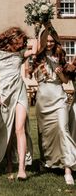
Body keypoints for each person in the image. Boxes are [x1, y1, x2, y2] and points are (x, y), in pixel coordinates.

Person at [0, 27, 37, 180]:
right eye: (20, 40)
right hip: (5, 94)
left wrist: (39, 24)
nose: (21, 44)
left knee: (19, 128)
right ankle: (9, 163)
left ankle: (21, 169)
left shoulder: (21, 53)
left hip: (19, 92)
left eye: (23, 41)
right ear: (12, 38)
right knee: (7, 127)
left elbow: (35, 49)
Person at [33, 23, 76, 185]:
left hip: (58, 97)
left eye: (52, 41)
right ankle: (48, 162)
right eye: (47, 40)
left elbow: (65, 82)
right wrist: (41, 26)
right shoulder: (37, 58)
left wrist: (60, 72)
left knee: (63, 129)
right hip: (43, 98)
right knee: (46, 133)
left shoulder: (60, 57)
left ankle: (68, 168)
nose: (49, 43)